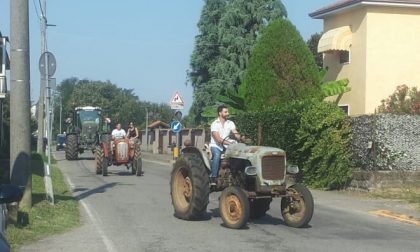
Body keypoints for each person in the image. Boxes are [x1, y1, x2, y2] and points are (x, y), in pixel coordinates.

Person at [209, 105, 241, 186]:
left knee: (239, 154)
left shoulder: (230, 123)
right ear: (220, 113)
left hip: (227, 145)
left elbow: (235, 132)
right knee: (217, 155)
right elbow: (218, 139)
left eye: (228, 111)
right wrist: (230, 143)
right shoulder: (214, 124)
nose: (228, 113)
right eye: (225, 112)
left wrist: (240, 137)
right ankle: (213, 177)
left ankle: (237, 175)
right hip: (216, 145)